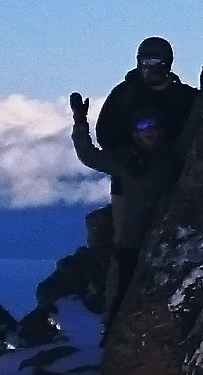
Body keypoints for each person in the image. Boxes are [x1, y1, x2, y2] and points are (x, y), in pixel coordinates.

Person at [69, 97, 185, 319]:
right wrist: (80, 121)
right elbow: (88, 155)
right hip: (133, 242)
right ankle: (113, 332)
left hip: (168, 238)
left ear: (162, 130)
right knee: (123, 292)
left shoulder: (172, 156)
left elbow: (190, 134)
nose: (149, 131)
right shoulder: (124, 159)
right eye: (143, 126)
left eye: (153, 125)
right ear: (134, 133)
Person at [95, 37, 199, 159]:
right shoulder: (124, 94)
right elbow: (105, 133)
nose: (153, 68)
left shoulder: (184, 96)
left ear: (168, 64)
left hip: (179, 167)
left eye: (158, 62)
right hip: (134, 169)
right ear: (140, 64)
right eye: (147, 62)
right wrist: (127, 155)